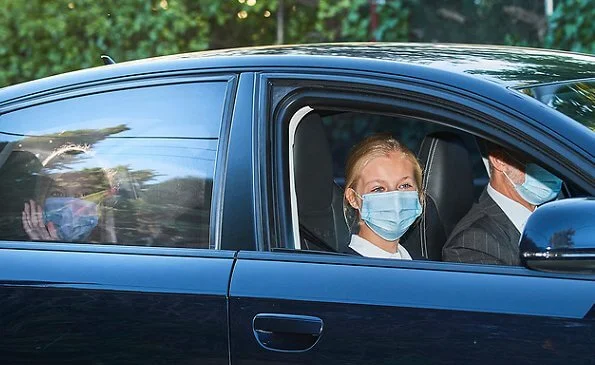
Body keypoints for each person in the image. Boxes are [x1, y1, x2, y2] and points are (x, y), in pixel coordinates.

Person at [442, 143, 562, 265]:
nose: (551, 169)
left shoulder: (554, 213)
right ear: (499, 160)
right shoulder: (472, 245)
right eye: (537, 159)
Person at [343, 134, 424, 260]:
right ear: (353, 198)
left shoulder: (427, 268)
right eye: (378, 189)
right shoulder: (342, 272)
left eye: (404, 185)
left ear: (419, 193)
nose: (395, 199)